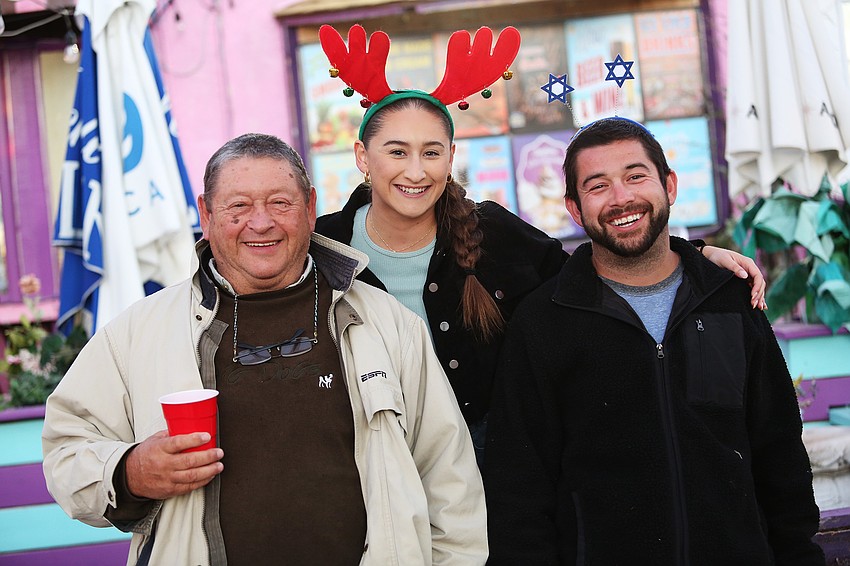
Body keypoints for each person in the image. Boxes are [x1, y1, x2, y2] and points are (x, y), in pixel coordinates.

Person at [42, 133, 487, 565]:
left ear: (310, 208)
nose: (260, 223)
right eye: (238, 206)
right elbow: (66, 452)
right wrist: (130, 472)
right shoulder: (139, 332)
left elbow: (450, 484)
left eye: (280, 203)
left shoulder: (387, 324)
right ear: (206, 214)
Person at [314, 67, 766, 460]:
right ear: (362, 157)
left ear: (450, 158)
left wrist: (692, 255)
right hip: (368, 464)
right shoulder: (323, 246)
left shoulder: (493, 232)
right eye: (397, 152)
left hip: (489, 471)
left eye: (431, 152)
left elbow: (586, 277)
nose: (415, 171)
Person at [484, 117, 824, 565]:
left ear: (670, 185)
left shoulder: (729, 300)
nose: (621, 197)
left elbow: (780, 452)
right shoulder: (544, 321)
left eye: (636, 176)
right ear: (574, 209)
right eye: (597, 186)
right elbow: (518, 486)